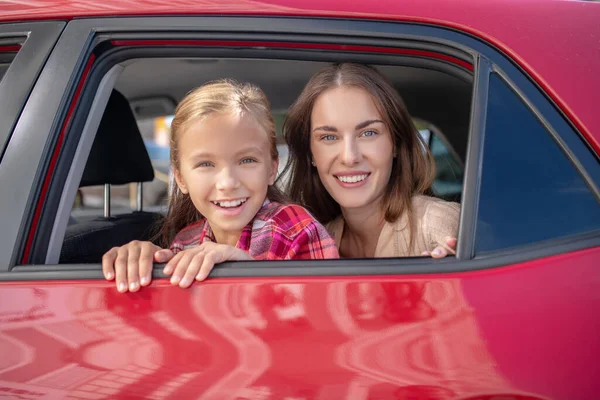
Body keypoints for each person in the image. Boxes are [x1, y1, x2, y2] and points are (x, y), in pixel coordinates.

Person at [102, 79, 339, 292]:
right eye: (206, 163)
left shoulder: (296, 230)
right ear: (181, 178)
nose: (227, 183)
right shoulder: (185, 241)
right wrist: (145, 262)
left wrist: (250, 273)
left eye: (247, 160)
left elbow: (328, 309)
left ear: (271, 168)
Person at [283, 63, 459, 259]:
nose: (349, 157)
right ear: (311, 154)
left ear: (395, 143)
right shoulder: (311, 242)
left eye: (368, 133)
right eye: (329, 137)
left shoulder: (436, 226)